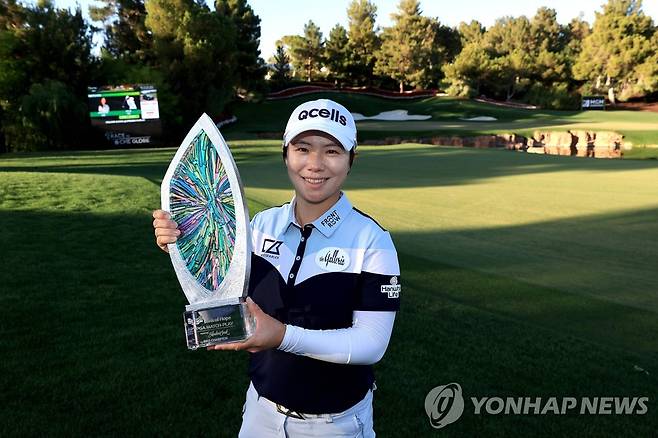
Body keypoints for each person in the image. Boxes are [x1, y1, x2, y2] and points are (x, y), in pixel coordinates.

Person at [152, 99, 401, 437]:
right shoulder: (257, 227)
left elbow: (371, 344)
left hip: (336, 425)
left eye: (331, 151)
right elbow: (217, 277)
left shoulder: (373, 241)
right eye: (302, 148)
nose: (314, 164)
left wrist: (281, 336)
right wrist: (181, 240)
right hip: (260, 415)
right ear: (286, 154)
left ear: (350, 160)